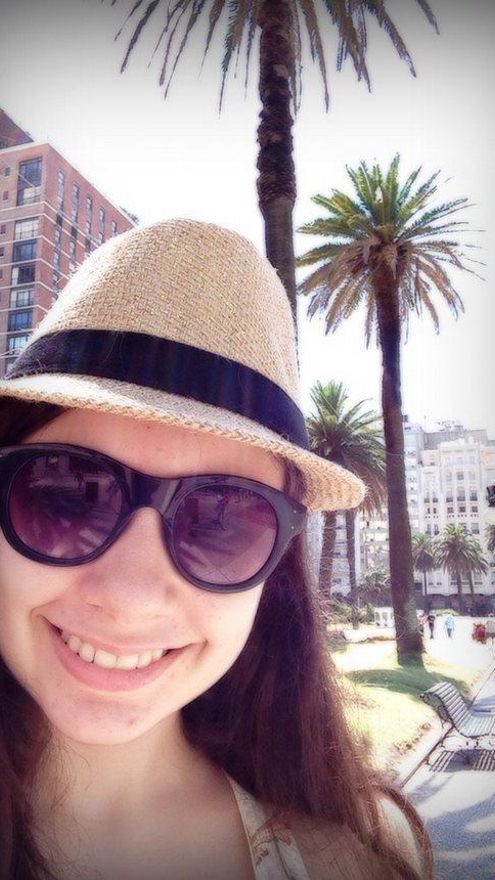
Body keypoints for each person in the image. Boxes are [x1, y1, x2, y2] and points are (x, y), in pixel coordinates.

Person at [0, 220, 431, 880]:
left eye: (222, 524)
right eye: (64, 497)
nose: (129, 598)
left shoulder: (356, 859)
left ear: (274, 574)